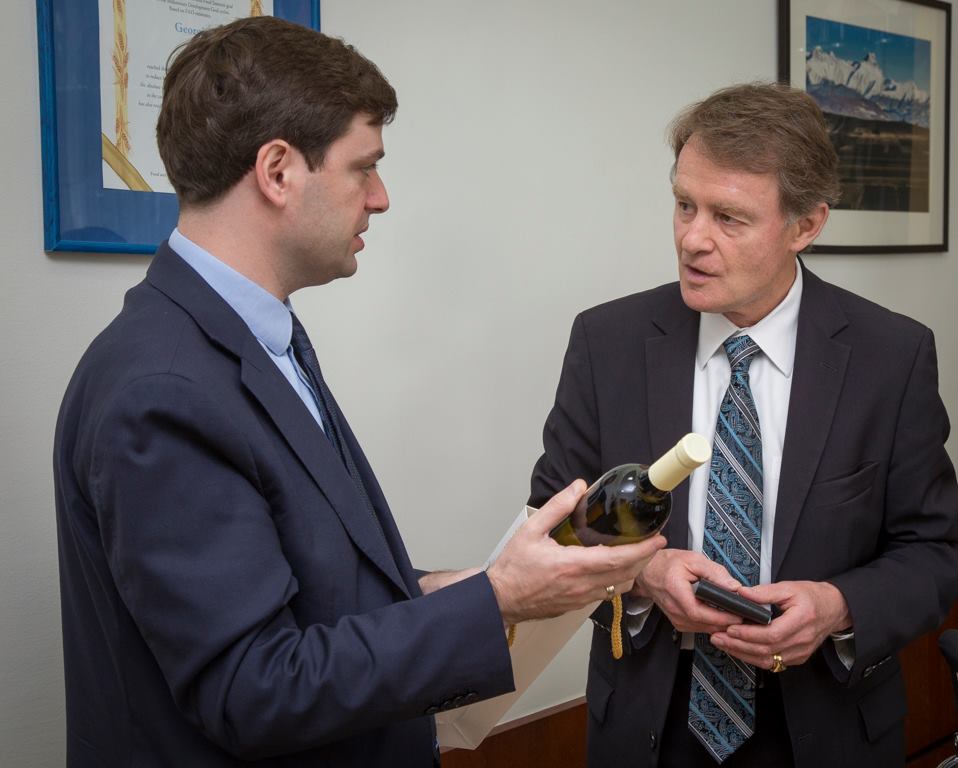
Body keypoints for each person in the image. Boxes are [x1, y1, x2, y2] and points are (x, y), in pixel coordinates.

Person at [52, 16, 665, 768]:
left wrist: (453, 587)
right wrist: (498, 601)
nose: (380, 197)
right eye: (363, 168)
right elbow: (252, 688)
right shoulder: (162, 391)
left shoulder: (254, 334)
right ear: (278, 171)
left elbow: (296, 582)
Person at [529, 82, 958, 768]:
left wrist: (838, 605)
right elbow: (553, 527)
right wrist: (646, 574)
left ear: (805, 226)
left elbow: (935, 550)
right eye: (684, 205)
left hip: (829, 726)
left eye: (728, 218)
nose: (692, 239)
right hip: (649, 723)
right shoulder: (606, 343)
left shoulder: (892, 357)